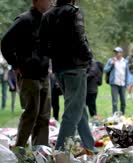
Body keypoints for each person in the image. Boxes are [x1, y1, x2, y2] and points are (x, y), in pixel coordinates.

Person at [40, 0, 95, 152]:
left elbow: (43, 45)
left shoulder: (47, 14)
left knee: (77, 107)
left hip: (59, 68)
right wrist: (89, 56)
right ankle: (60, 152)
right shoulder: (72, 12)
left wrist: (56, 57)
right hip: (75, 67)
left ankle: (89, 145)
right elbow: (80, 38)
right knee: (72, 112)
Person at [1, 0, 52, 147]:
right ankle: (20, 149)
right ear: (36, 1)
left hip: (44, 75)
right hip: (29, 75)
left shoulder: (47, 20)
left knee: (44, 116)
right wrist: (16, 65)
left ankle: (41, 152)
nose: (50, 1)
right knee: (31, 114)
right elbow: (5, 43)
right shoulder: (24, 20)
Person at [104, 47, 130, 115]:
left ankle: (122, 115)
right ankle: (115, 116)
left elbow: (127, 73)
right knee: (115, 102)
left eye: (118, 52)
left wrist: (127, 83)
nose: (116, 54)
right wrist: (111, 65)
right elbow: (105, 70)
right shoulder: (111, 60)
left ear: (121, 53)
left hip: (123, 84)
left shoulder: (125, 61)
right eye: (115, 52)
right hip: (114, 83)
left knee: (123, 102)